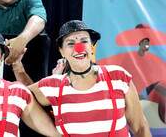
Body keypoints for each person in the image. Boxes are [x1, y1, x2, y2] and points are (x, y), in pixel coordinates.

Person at [14, 20, 151, 136]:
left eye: (84, 41)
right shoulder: (53, 86)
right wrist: (17, 66)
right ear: (61, 51)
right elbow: (22, 96)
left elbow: (140, 127)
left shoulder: (118, 77)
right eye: (71, 43)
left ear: (91, 47)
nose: (78, 48)